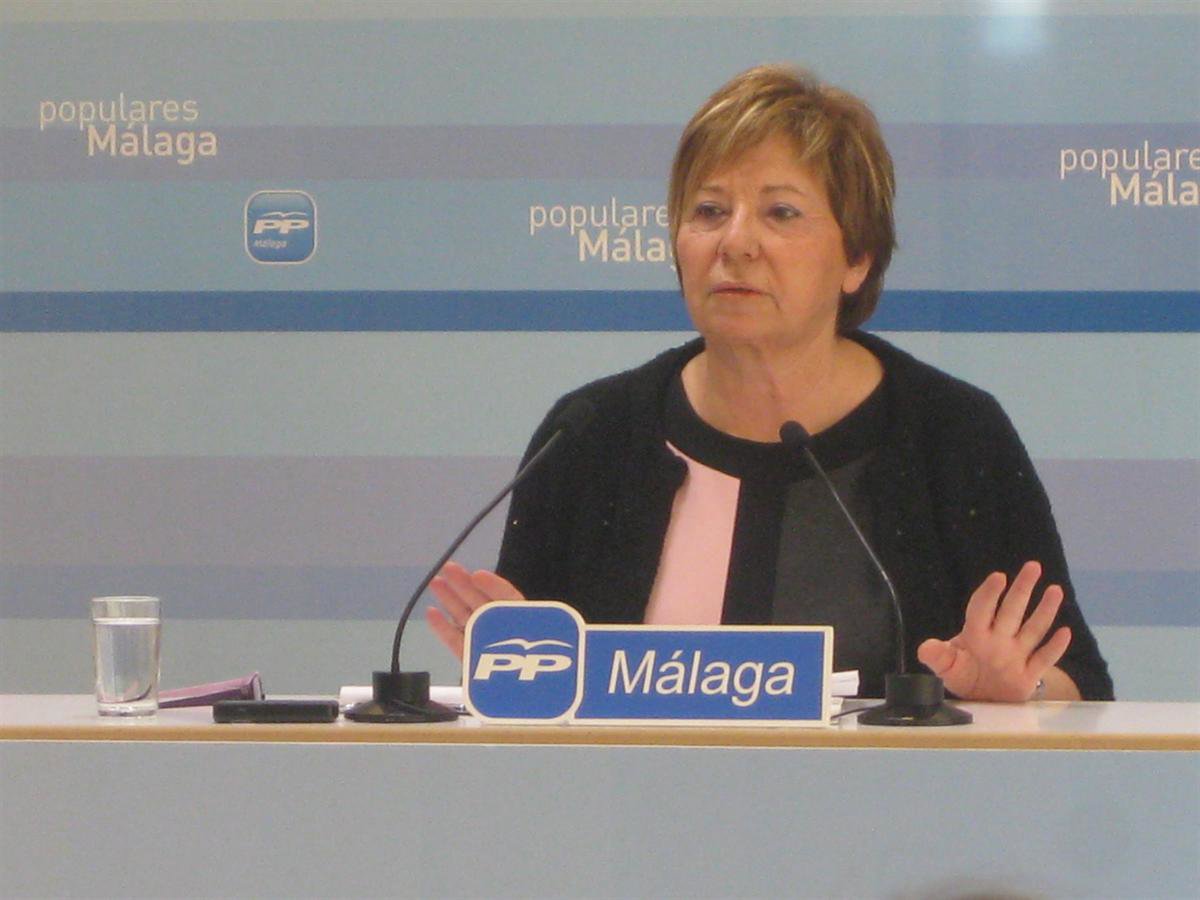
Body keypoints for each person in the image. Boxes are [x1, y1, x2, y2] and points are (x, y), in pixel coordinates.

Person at [428, 64, 1113, 702]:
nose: (735, 242)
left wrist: (1014, 694)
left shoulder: (952, 435)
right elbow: (533, 715)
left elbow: (1078, 686)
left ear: (857, 257)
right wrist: (515, 681)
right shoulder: (591, 434)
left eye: (781, 213)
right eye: (708, 211)